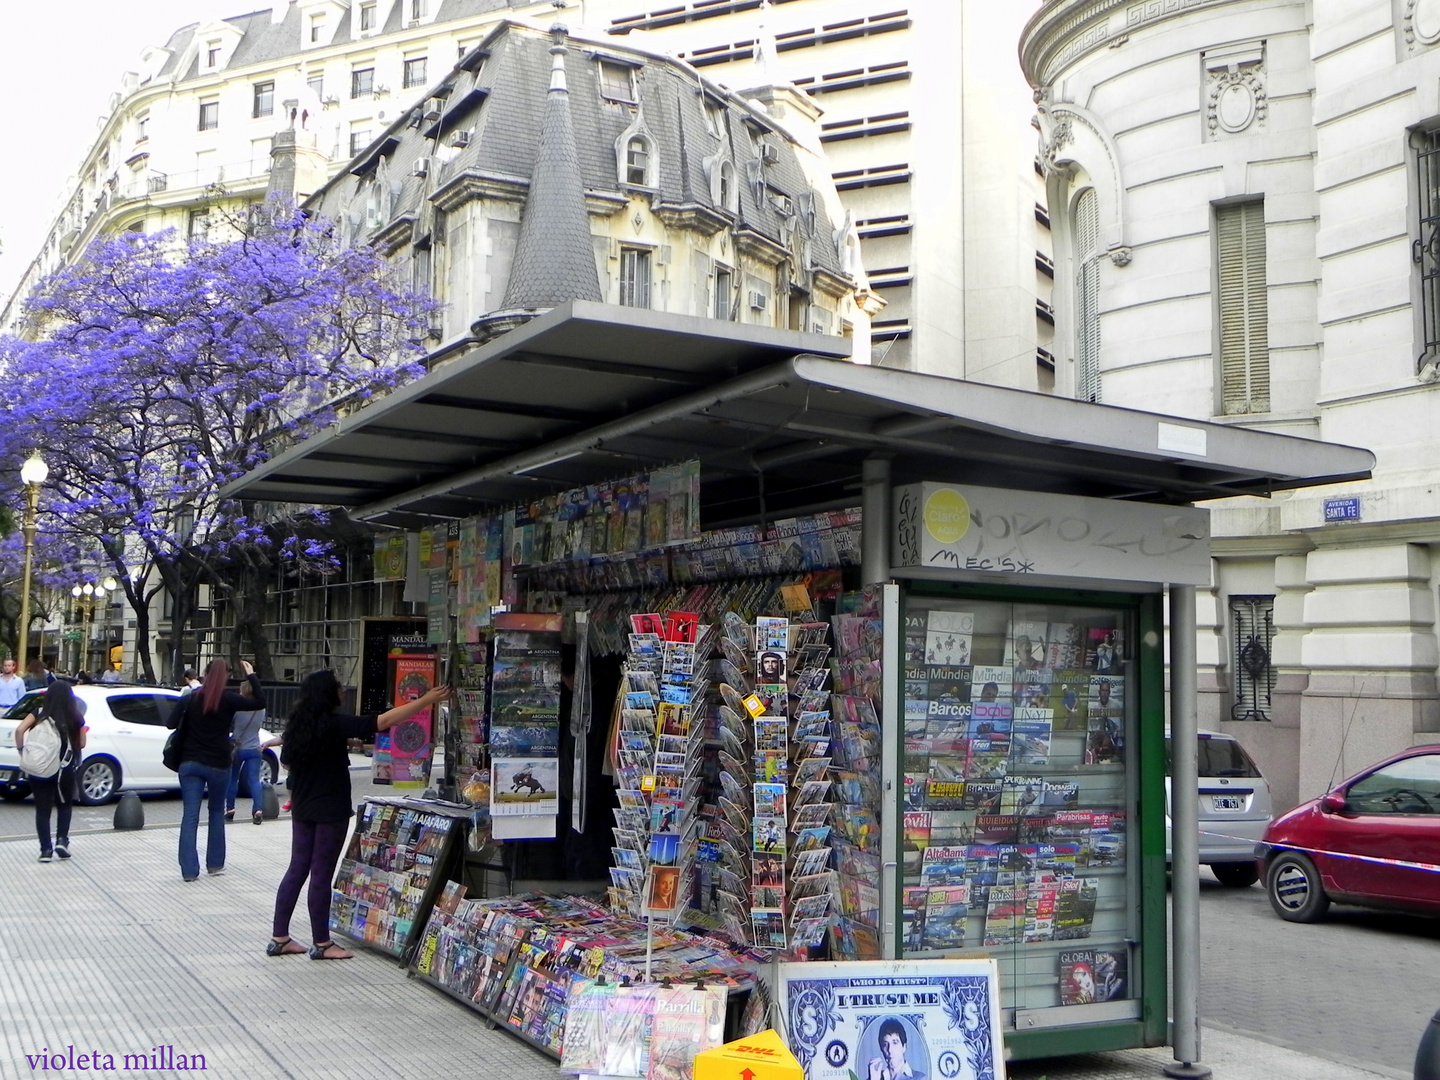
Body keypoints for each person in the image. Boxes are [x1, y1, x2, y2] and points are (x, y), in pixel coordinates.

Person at [269, 669, 451, 960]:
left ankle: (279, 937)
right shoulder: (335, 723)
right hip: (330, 809)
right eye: (339, 686)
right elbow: (384, 721)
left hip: (303, 808)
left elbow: (288, 763)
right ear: (329, 693)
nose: (344, 690)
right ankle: (322, 944)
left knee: (297, 869)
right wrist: (426, 700)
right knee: (321, 874)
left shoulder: (297, 726)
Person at [168, 659, 265, 882]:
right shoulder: (229, 700)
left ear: (204, 673)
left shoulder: (190, 698)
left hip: (190, 763)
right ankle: (214, 864)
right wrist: (251, 675)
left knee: (190, 816)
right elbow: (260, 701)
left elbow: (170, 724)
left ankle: (189, 871)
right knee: (215, 812)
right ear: (226, 677)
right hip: (219, 764)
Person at [14, 681, 86, 862]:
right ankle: (62, 840)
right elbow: (82, 743)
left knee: (42, 809)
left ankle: (46, 850)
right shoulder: (75, 715)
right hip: (64, 769)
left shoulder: (39, 713)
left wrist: (23, 750)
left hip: (39, 767)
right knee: (64, 805)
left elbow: (20, 730)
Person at [227, 676, 268, 825]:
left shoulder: (238, 708)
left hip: (237, 747)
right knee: (254, 781)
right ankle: (258, 810)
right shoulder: (261, 709)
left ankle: (230, 809)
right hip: (254, 747)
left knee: (232, 779)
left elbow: (230, 724)